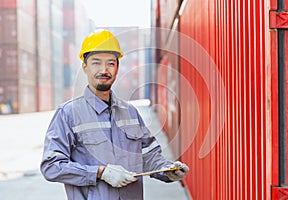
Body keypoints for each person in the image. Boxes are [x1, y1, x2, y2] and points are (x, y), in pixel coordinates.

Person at [40, 29, 189, 200]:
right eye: (96, 62)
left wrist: (168, 170)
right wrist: (100, 173)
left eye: (110, 63)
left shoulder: (130, 112)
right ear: (85, 67)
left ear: (117, 68)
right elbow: (51, 166)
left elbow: (148, 156)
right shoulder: (68, 114)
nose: (104, 70)